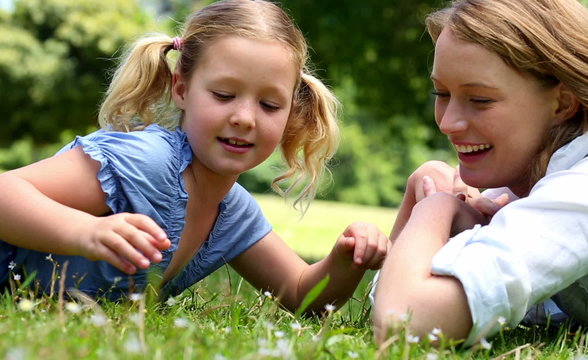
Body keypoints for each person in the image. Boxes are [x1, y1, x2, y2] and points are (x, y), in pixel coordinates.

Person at [0, 0, 390, 313]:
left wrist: (346, 261)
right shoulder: (148, 162)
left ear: (292, 112)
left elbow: (303, 296)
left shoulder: (232, 213)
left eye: (270, 105)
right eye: (223, 95)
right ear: (182, 89)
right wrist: (85, 232)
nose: (243, 118)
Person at [373, 0, 588, 346]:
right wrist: (431, 209)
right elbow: (388, 300)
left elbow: (403, 324)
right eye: (441, 93)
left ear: (562, 102)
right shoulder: (526, 167)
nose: (448, 123)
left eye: (480, 100)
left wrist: (434, 210)